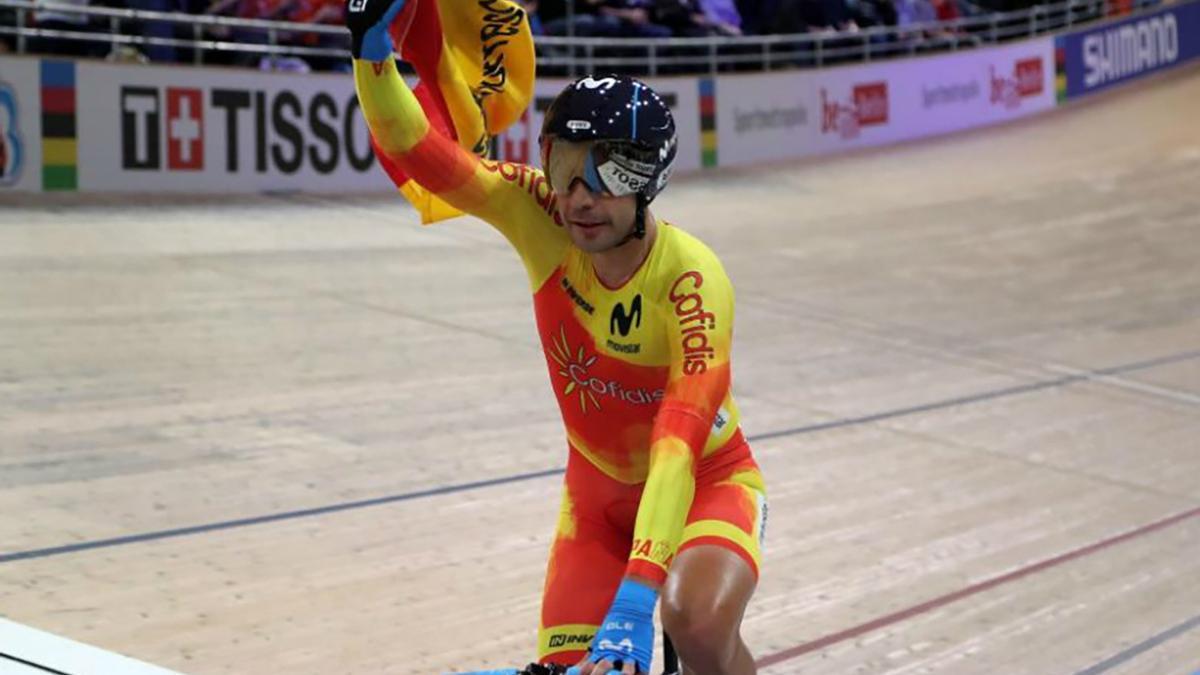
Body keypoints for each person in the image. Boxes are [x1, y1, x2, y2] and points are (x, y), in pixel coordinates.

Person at [346, 1, 768, 673]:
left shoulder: (693, 279)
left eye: (605, 174)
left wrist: (638, 595)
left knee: (694, 621)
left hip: (704, 482)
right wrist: (371, 59)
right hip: (595, 499)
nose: (578, 196)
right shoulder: (538, 214)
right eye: (563, 166)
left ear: (648, 181)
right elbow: (425, 156)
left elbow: (676, 441)